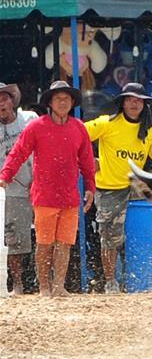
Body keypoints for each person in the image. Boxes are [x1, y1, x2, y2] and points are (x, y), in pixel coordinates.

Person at [0, 81, 95, 298]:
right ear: (50, 103)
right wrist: (5, 176)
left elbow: (87, 161)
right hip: (44, 196)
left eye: (67, 99)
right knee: (44, 243)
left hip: (70, 196)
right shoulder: (37, 127)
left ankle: (59, 286)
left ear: (72, 103)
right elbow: (18, 153)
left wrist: (91, 186)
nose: (63, 102)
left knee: (64, 243)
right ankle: (44, 286)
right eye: (58, 98)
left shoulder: (79, 127)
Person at [85, 83, 152, 294]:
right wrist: (88, 161)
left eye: (139, 100)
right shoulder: (107, 123)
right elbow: (77, 135)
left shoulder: (151, 129)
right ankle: (110, 282)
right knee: (110, 236)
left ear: (144, 104)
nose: (135, 103)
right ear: (123, 102)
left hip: (135, 183)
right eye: (130, 99)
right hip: (109, 187)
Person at [0, 82, 38, 295]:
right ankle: (17, 284)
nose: (1, 104)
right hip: (12, 191)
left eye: (3, 99)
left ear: (12, 100)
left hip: (40, 185)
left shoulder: (29, 119)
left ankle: (46, 281)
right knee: (15, 239)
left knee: (46, 236)